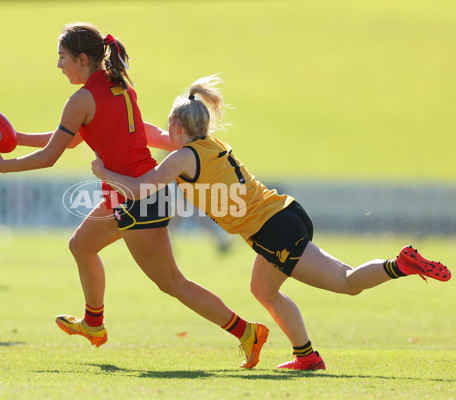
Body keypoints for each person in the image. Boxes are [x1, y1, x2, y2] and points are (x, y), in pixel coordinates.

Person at [91, 75, 452, 370]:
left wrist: (101, 170)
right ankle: (312, 350)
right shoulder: (208, 145)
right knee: (294, 287)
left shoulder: (181, 158)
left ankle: (388, 276)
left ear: (176, 124)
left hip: (271, 230)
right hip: (287, 214)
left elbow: (139, 189)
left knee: (325, 285)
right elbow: (156, 140)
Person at [0, 23, 268, 369]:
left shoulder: (81, 99)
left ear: (82, 59)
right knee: (81, 246)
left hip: (136, 196)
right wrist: (15, 137)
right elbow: (70, 139)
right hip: (131, 192)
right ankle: (94, 324)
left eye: (62, 57)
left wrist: (3, 165)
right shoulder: (119, 85)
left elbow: (51, 155)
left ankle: (246, 332)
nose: (59, 65)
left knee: (172, 282)